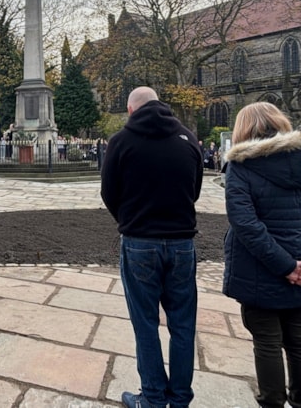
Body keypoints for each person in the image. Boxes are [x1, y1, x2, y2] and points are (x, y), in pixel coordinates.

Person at [224, 102, 301, 408]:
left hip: (260, 270)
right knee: (298, 340)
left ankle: (272, 403)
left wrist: (288, 267)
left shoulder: (242, 166)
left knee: (267, 341)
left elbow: (246, 225)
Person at [100, 86, 203, 408]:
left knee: (145, 323)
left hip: (140, 241)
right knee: (183, 324)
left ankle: (154, 398)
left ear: (131, 110)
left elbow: (108, 192)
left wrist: (130, 220)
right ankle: (181, 397)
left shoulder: (121, 142)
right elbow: (195, 189)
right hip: (182, 242)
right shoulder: (188, 140)